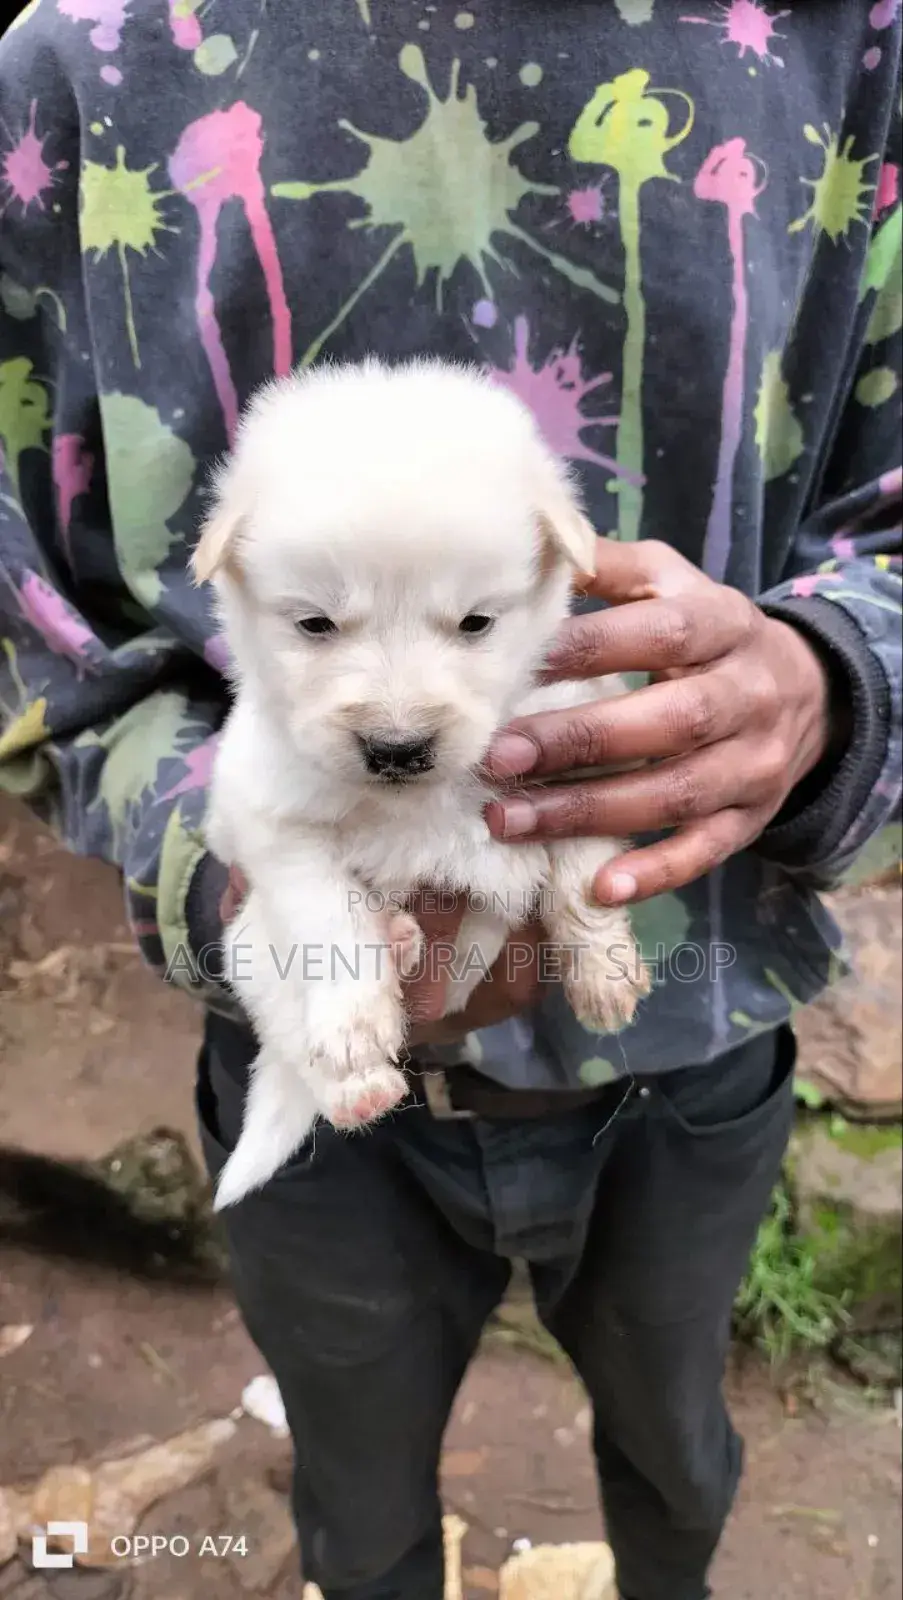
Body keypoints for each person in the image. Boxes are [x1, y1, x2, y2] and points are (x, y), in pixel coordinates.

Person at [1, 3, 900, 1595]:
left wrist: (837, 681)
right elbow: (32, 622)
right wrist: (246, 878)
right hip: (311, 1052)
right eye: (322, 624)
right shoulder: (75, 61)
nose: (408, 709)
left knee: (678, 1463)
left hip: (692, 1030)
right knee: (359, 1509)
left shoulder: (858, 41)